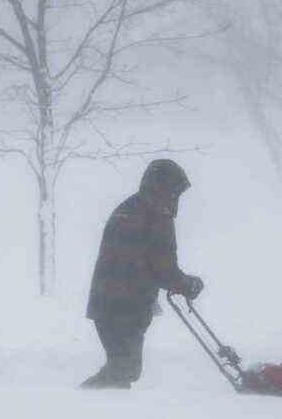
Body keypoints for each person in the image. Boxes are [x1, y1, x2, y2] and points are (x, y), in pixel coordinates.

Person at [81, 159, 204, 389]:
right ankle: (77, 404)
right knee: (123, 370)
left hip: (106, 304)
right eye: (176, 192)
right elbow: (163, 267)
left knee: (121, 369)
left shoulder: (130, 207)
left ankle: (89, 404)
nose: (177, 198)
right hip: (126, 306)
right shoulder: (157, 215)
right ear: (166, 188)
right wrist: (188, 285)